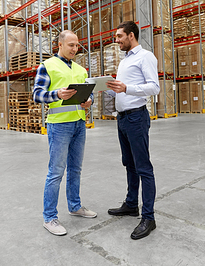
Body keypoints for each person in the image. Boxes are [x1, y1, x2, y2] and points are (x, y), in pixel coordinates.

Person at [33, 30, 97, 236]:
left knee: (75, 169)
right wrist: (57, 94)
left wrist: (90, 101)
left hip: (79, 123)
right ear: (59, 45)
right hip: (59, 125)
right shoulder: (47, 66)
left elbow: (90, 93)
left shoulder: (81, 69)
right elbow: (37, 94)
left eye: (77, 45)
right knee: (56, 172)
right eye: (70, 45)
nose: (74, 49)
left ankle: (75, 206)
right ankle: (49, 217)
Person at [106, 21, 160, 240]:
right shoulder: (125, 60)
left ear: (131, 35)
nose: (116, 40)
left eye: (119, 36)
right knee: (129, 164)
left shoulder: (145, 56)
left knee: (143, 167)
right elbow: (123, 91)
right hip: (123, 119)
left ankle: (149, 217)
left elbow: (154, 87)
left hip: (136, 118)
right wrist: (108, 88)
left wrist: (126, 88)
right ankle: (131, 204)